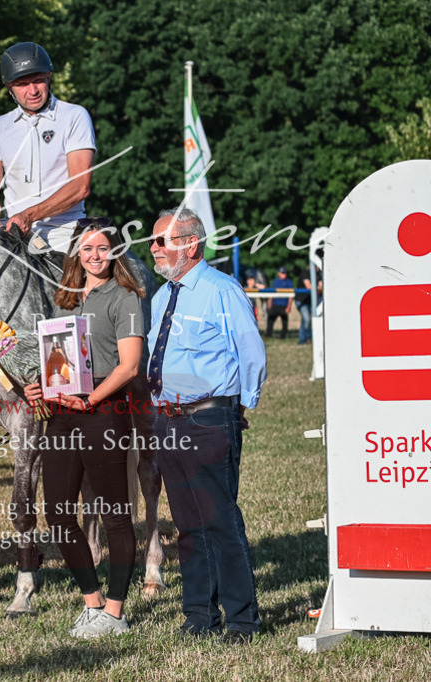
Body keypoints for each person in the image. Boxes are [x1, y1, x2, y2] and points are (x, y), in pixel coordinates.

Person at [146, 207, 267, 644]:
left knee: (219, 521)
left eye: (162, 240)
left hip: (208, 417)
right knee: (187, 524)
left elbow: (251, 353)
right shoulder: (161, 297)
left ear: (191, 244)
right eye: (153, 241)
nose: (153, 248)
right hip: (166, 420)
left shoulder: (221, 290)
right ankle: (199, 614)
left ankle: (242, 620)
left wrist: (238, 406)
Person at [22, 216, 144, 639]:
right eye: (87, 248)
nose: (95, 256)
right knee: (57, 513)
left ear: (115, 251)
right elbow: (59, 362)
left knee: (114, 515)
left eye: (102, 248)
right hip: (61, 414)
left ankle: (115, 613)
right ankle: (92, 603)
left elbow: (129, 366)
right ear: (76, 252)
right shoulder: (65, 298)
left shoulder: (125, 297)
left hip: (104, 411)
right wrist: (39, 386)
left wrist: (90, 400)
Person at [0, 42, 96, 255]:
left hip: (65, 230)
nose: (32, 91)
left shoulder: (74, 116)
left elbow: (80, 186)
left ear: (49, 77)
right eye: (23, 84)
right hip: (12, 232)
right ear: (10, 88)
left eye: (38, 80)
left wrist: (29, 216)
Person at [266, 266, 293, 339]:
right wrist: (270, 304)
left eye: (285, 273)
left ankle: (283, 336)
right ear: (279, 273)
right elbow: (271, 293)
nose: (283, 274)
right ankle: (268, 335)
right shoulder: (275, 281)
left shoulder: (289, 282)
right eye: (282, 273)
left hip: (284, 305)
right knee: (270, 320)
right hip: (275, 304)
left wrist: (289, 306)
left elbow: (291, 296)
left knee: (284, 321)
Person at [296, 268, 313, 345]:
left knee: (305, 320)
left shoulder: (317, 274)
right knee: (307, 319)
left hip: (309, 301)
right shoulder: (305, 272)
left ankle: (302, 339)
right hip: (301, 300)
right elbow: (309, 286)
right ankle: (308, 338)